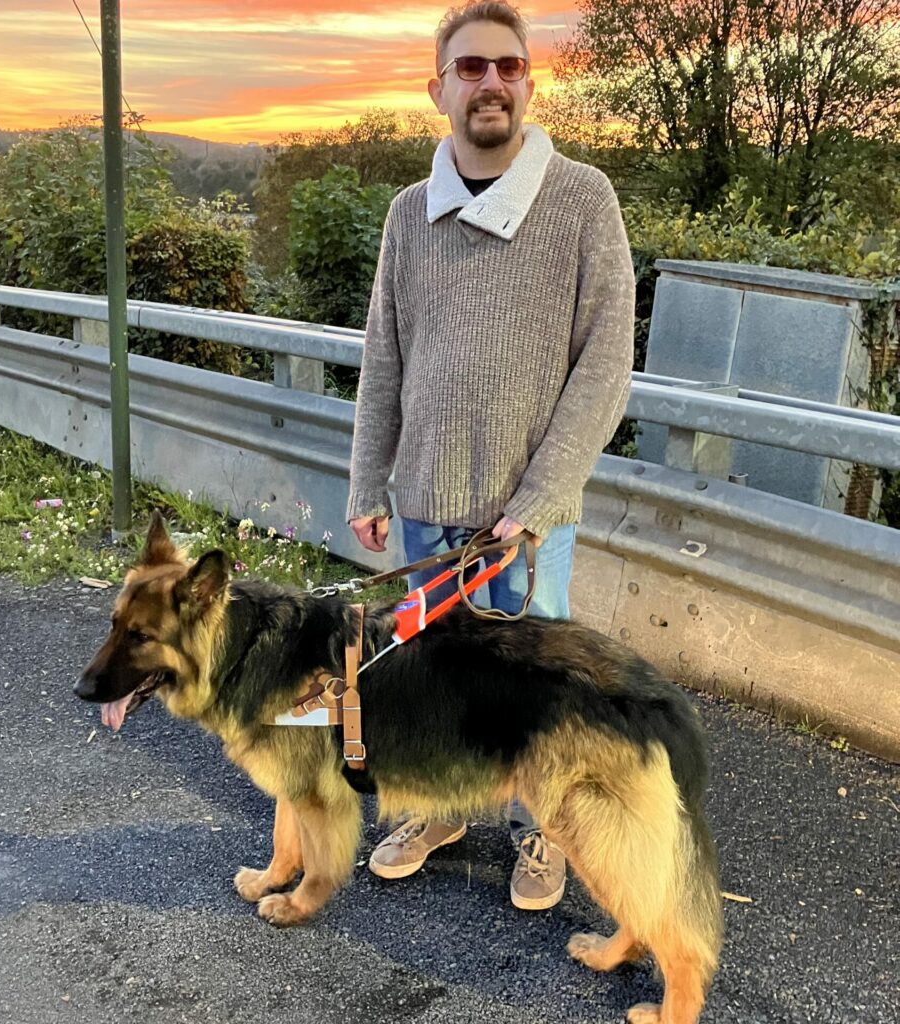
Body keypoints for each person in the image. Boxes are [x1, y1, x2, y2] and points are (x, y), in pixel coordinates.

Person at [346, 0, 635, 911]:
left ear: (529, 84)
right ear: (438, 89)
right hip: (428, 501)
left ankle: (539, 829)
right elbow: (384, 355)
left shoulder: (583, 200)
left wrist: (545, 496)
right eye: (470, 68)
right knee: (433, 676)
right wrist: (367, 477)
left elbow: (607, 362)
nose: (492, 83)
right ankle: (441, 806)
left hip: (528, 517)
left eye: (509, 67)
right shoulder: (406, 215)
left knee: (534, 687)